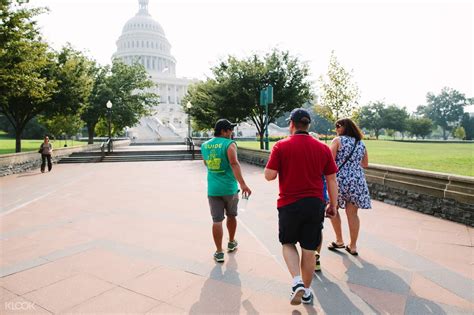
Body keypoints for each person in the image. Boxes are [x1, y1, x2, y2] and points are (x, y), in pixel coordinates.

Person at [264, 108, 338, 305]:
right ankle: (305, 291)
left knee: (288, 243)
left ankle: (297, 281)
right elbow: (331, 179)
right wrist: (333, 204)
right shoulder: (322, 148)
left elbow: (269, 176)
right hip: (315, 204)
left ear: (291, 124)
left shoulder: (281, 146)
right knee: (309, 249)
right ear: (308, 125)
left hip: (289, 203)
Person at [201, 119, 252, 263]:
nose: (232, 132)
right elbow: (234, 163)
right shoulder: (229, 144)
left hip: (213, 189)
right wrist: (243, 184)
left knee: (217, 221)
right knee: (231, 216)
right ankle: (231, 241)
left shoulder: (205, 145)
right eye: (230, 129)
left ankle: (219, 252)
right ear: (224, 131)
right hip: (229, 188)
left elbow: (206, 163)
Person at [328, 118, 371, 256]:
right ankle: (352, 246)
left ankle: (339, 240)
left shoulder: (337, 141)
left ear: (343, 127)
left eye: (337, 126)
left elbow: (329, 161)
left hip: (339, 180)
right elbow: (365, 164)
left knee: (333, 208)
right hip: (357, 181)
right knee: (353, 214)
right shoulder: (361, 143)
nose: (336, 129)